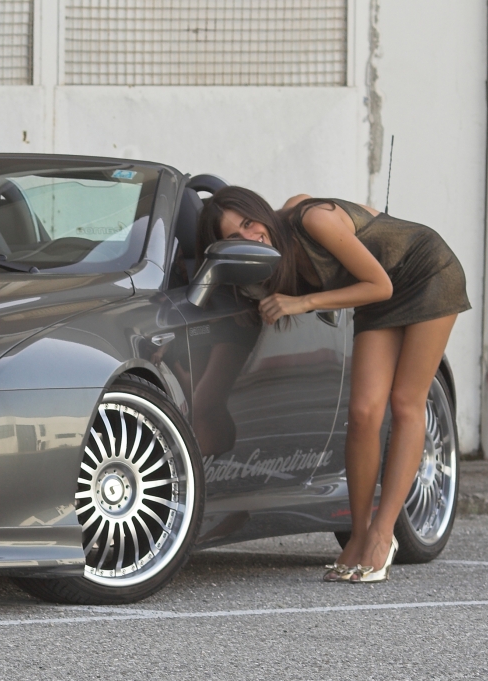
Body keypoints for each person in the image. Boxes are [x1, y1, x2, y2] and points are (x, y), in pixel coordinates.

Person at [196, 187, 470, 583]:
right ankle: (358, 536)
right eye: (234, 237)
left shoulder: (313, 220)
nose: (250, 236)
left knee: (405, 402)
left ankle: (382, 535)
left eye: (250, 222)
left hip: (425, 273)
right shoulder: (271, 252)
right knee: (362, 413)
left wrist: (302, 302)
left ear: (261, 211)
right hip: (377, 295)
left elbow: (381, 285)